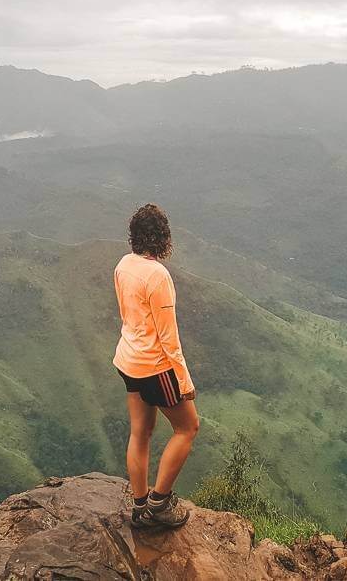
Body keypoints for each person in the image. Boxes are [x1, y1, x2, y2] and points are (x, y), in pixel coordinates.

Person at [113, 203, 198, 529]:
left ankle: (139, 507)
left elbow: (126, 313)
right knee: (188, 428)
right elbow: (168, 338)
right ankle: (159, 504)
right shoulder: (158, 275)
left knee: (140, 432)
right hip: (155, 366)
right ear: (163, 238)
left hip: (128, 360)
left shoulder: (123, 265)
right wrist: (184, 381)